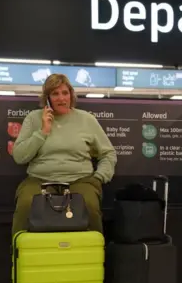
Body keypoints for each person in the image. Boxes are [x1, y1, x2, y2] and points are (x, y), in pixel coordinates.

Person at [11, 73, 117, 235]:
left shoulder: (86, 119)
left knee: (90, 206)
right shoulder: (34, 119)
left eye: (65, 93)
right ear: (47, 98)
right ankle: (19, 255)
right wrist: (43, 132)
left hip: (80, 179)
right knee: (26, 204)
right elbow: (19, 156)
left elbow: (108, 153)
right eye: (55, 94)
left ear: (71, 95)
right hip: (40, 180)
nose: (61, 98)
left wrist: (99, 177)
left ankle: (95, 255)